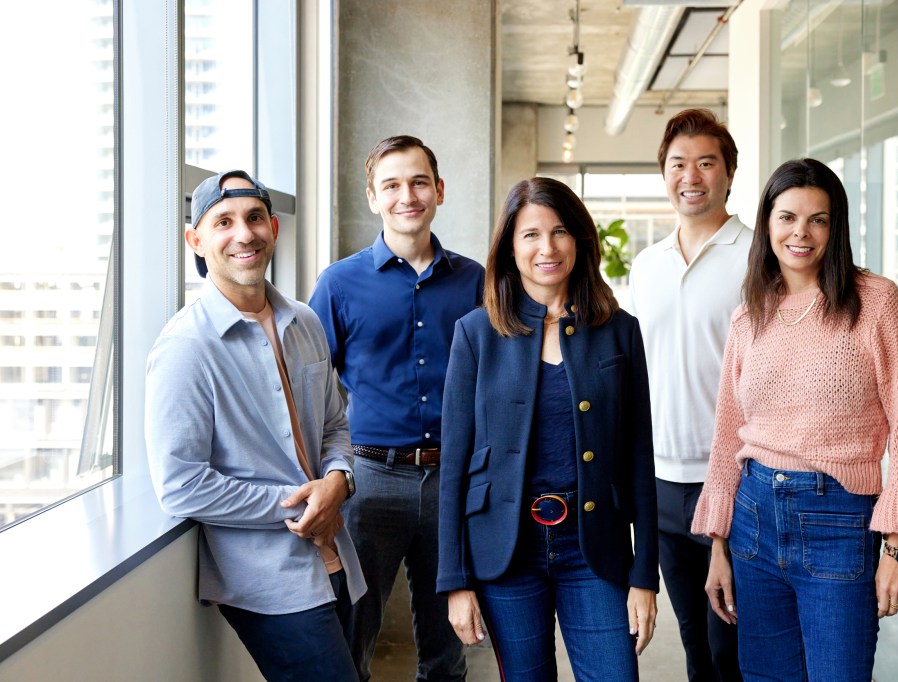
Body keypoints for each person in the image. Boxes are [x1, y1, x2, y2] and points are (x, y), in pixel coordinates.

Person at [693, 158, 898, 681]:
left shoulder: (875, 302)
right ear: (767, 223)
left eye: (818, 219)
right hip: (751, 521)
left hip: (838, 519)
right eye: (787, 217)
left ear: (836, 227)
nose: (801, 232)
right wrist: (718, 546)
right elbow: (729, 431)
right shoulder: (750, 313)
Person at [145, 170, 366, 681]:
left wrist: (338, 481)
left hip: (337, 557)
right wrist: (302, 504)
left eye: (254, 218)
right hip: (269, 583)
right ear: (195, 240)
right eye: (223, 222)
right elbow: (181, 486)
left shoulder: (305, 321)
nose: (244, 233)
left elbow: (336, 423)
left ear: (274, 229)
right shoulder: (186, 347)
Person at [438, 177, 659, 681]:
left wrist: (645, 575)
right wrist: (456, 582)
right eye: (531, 235)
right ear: (509, 247)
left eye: (560, 232)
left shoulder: (620, 331)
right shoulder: (475, 334)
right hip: (507, 552)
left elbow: (639, 458)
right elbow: (454, 464)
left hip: (595, 549)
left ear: (579, 241)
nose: (547, 248)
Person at [309, 136, 483, 681]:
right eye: (392, 185)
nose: (406, 195)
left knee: (447, 649)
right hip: (369, 481)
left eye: (418, 182)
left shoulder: (476, 281)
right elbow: (310, 388)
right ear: (372, 197)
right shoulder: (338, 284)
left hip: (453, 482)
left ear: (439, 190)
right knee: (350, 637)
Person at [629, 107, 748, 681]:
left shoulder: (759, 257)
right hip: (661, 482)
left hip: (737, 480)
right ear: (665, 174)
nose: (692, 176)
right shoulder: (645, 264)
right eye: (679, 164)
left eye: (706, 162)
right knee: (696, 645)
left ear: (729, 173)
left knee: (734, 643)